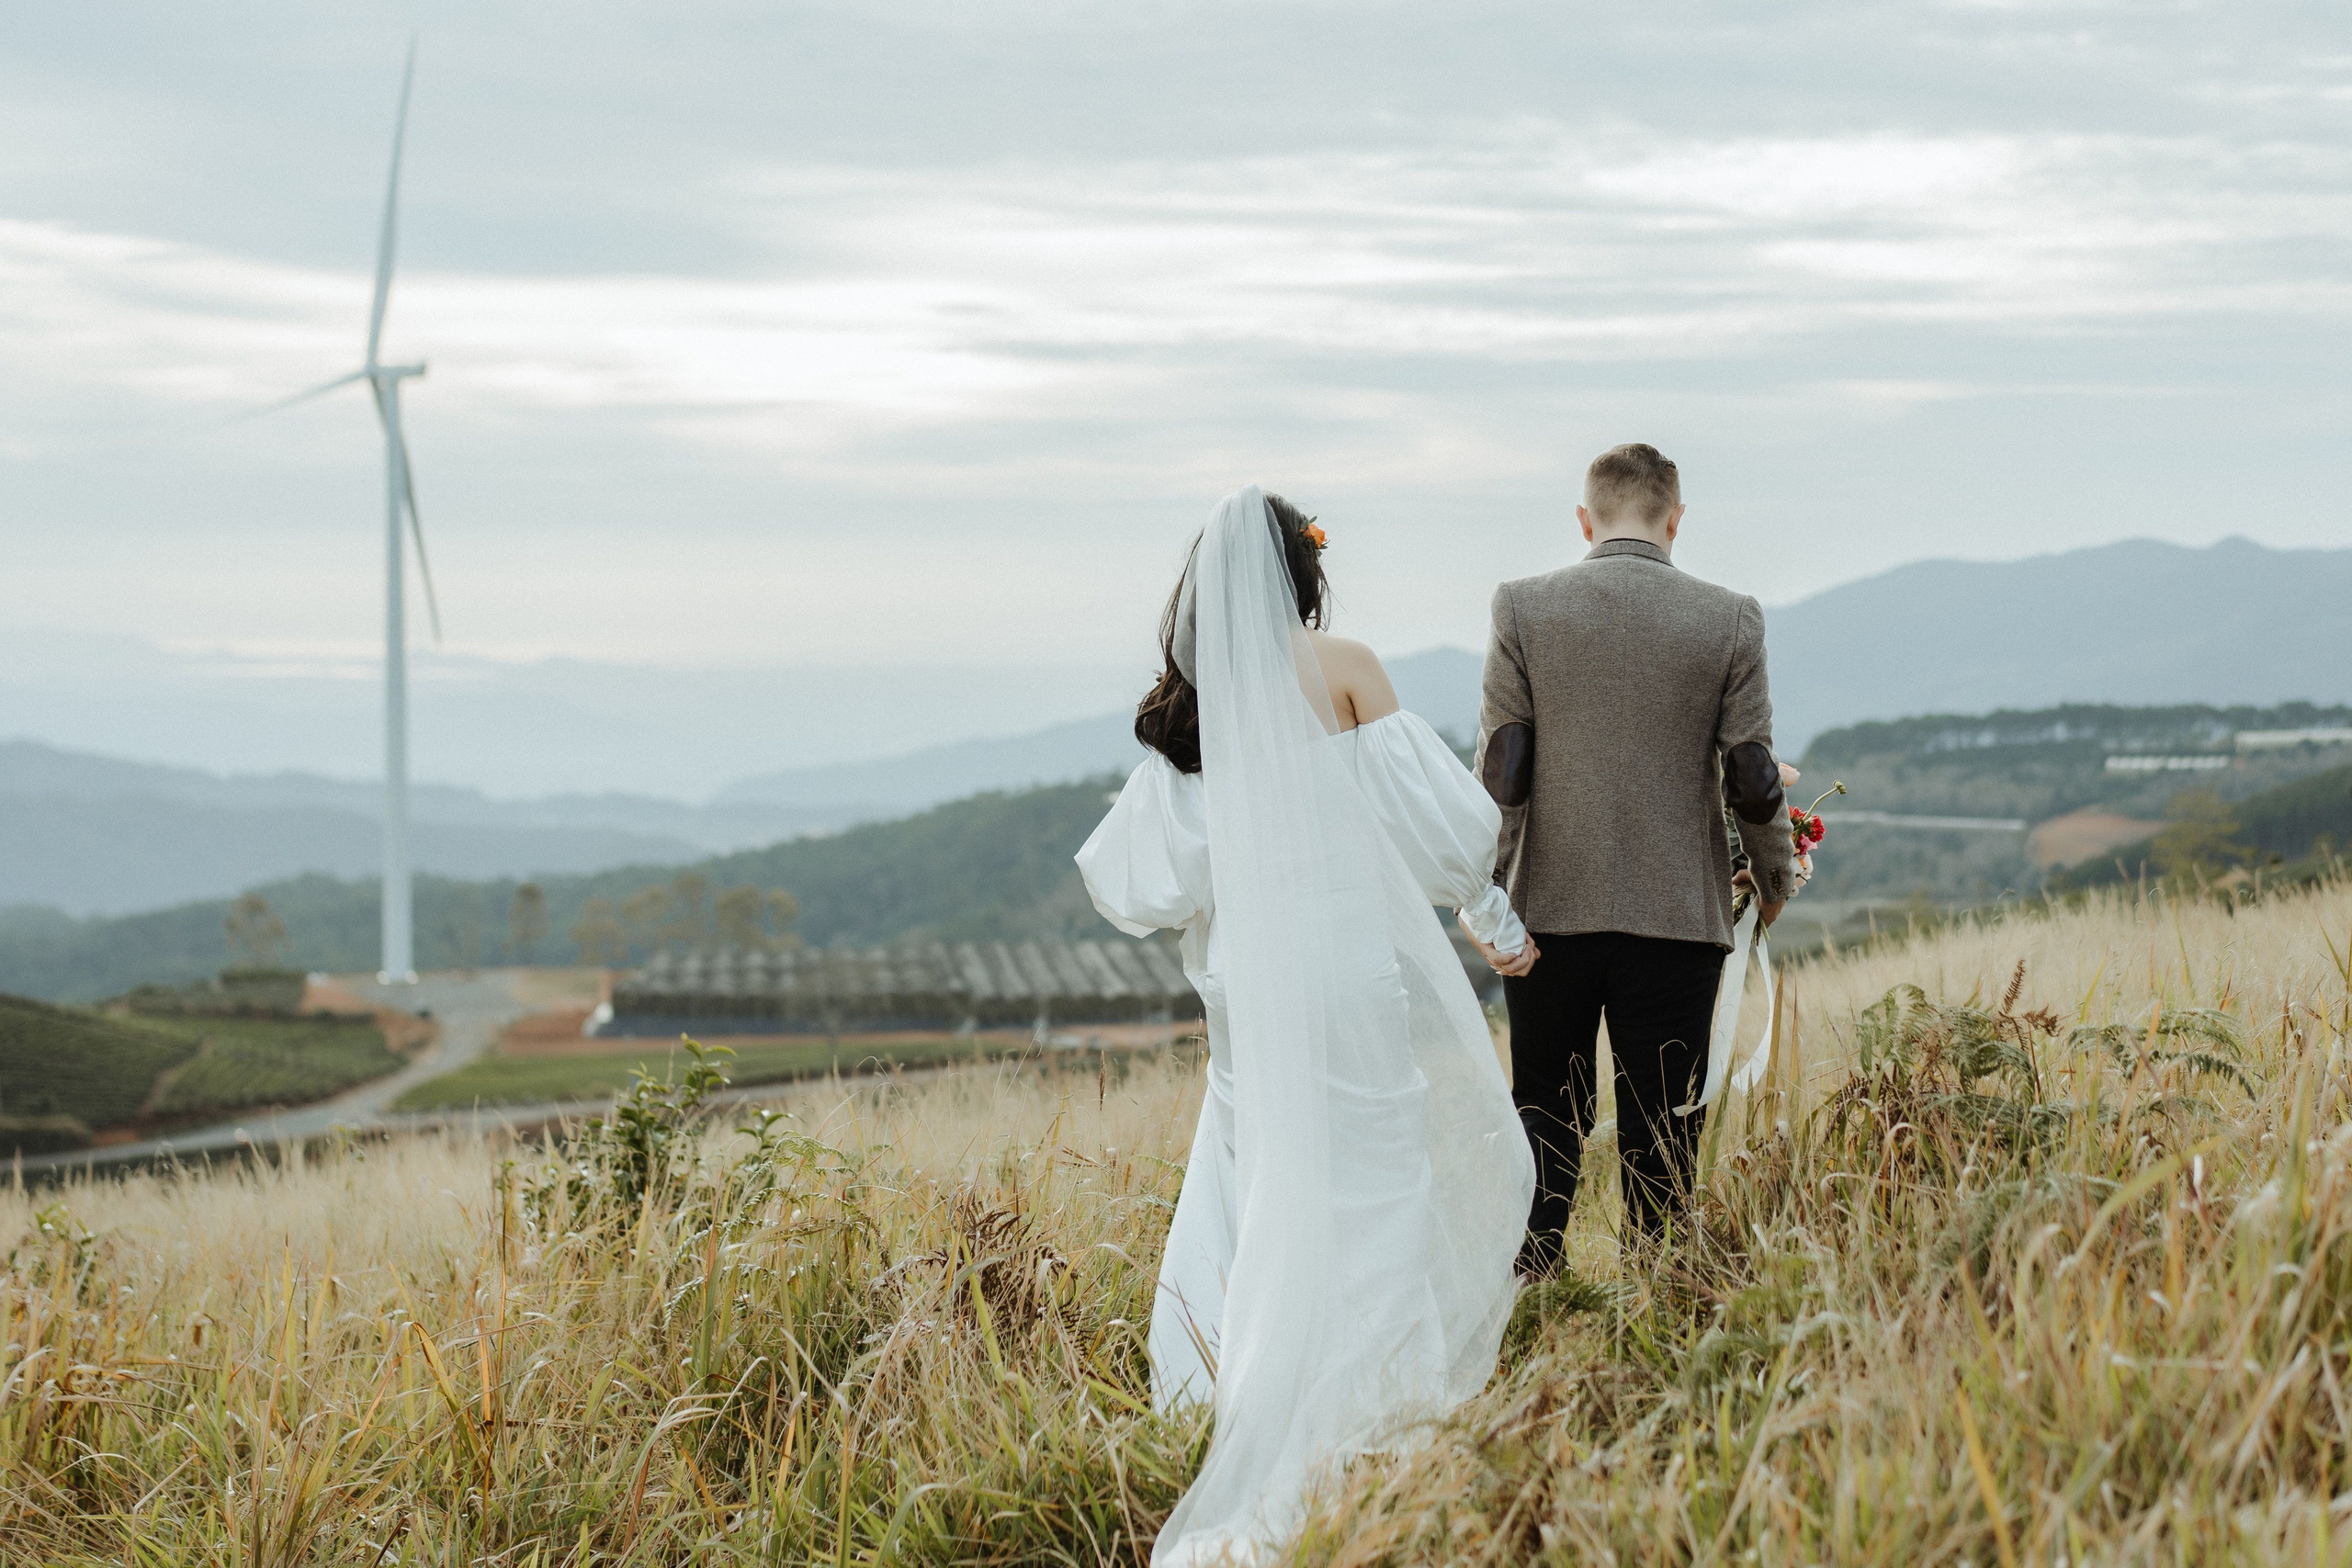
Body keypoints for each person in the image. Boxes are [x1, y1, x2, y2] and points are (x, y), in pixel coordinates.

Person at [1076, 487, 1533, 1567]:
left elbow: (1141, 885)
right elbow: (1444, 833)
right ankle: (1377, 1400)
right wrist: (1496, 921)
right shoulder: (1346, 672)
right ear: (1303, 576)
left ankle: (1216, 1378)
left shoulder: (1200, 711)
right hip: (1343, 969)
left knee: (1254, 1161)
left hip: (1248, 980)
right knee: (1371, 1165)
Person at [1471, 442, 1797, 1273]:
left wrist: (1490, 902)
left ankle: (1534, 1292)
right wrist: (1771, 877)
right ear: (1674, 522)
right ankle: (1658, 1306)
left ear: (1586, 519)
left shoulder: (1522, 609)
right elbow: (1753, 777)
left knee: (1545, 1115)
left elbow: (1503, 770)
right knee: (1664, 1135)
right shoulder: (1730, 617)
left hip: (1549, 917)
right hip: (1675, 924)